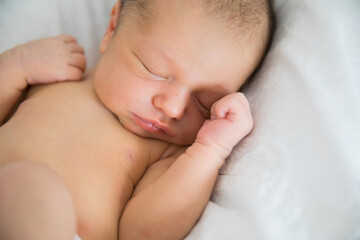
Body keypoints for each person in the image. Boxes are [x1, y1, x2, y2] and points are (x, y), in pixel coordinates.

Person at [0, 0, 273, 239]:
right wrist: (15, 66)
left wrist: (210, 150)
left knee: (33, 189)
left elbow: (143, 232)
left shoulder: (167, 153)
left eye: (204, 102)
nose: (174, 108)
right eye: (155, 70)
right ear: (112, 27)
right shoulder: (56, 74)